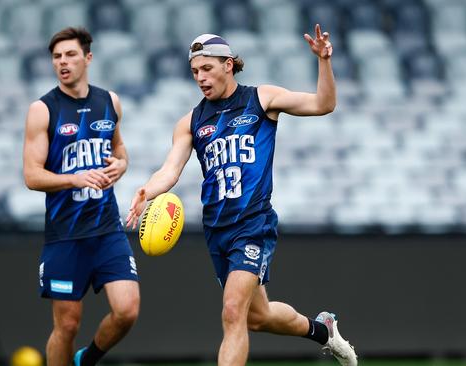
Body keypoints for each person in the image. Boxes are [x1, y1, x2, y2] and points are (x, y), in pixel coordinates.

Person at [126, 24, 357, 366]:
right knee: (257, 316)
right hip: (217, 230)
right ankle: (322, 330)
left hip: (253, 222)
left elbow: (324, 104)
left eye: (206, 68)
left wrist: (324, 61)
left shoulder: (261, 98)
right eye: (194, 71)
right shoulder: (190, 121)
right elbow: (170, 169)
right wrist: (148, 189)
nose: (200, 77)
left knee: (233, 310)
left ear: (228, 64)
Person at [23, 27, 139, 366]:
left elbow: (119, 149)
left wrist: (121, 165)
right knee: (67, 324)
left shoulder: (109, 101)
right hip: (66, 234)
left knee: (128, 310)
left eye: (70, 55)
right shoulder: (43, 110)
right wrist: (74, 179)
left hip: (107, 229)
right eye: (57, 57)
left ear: (87, 58)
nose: (62, 62)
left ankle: (87, 359)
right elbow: (31, 175)